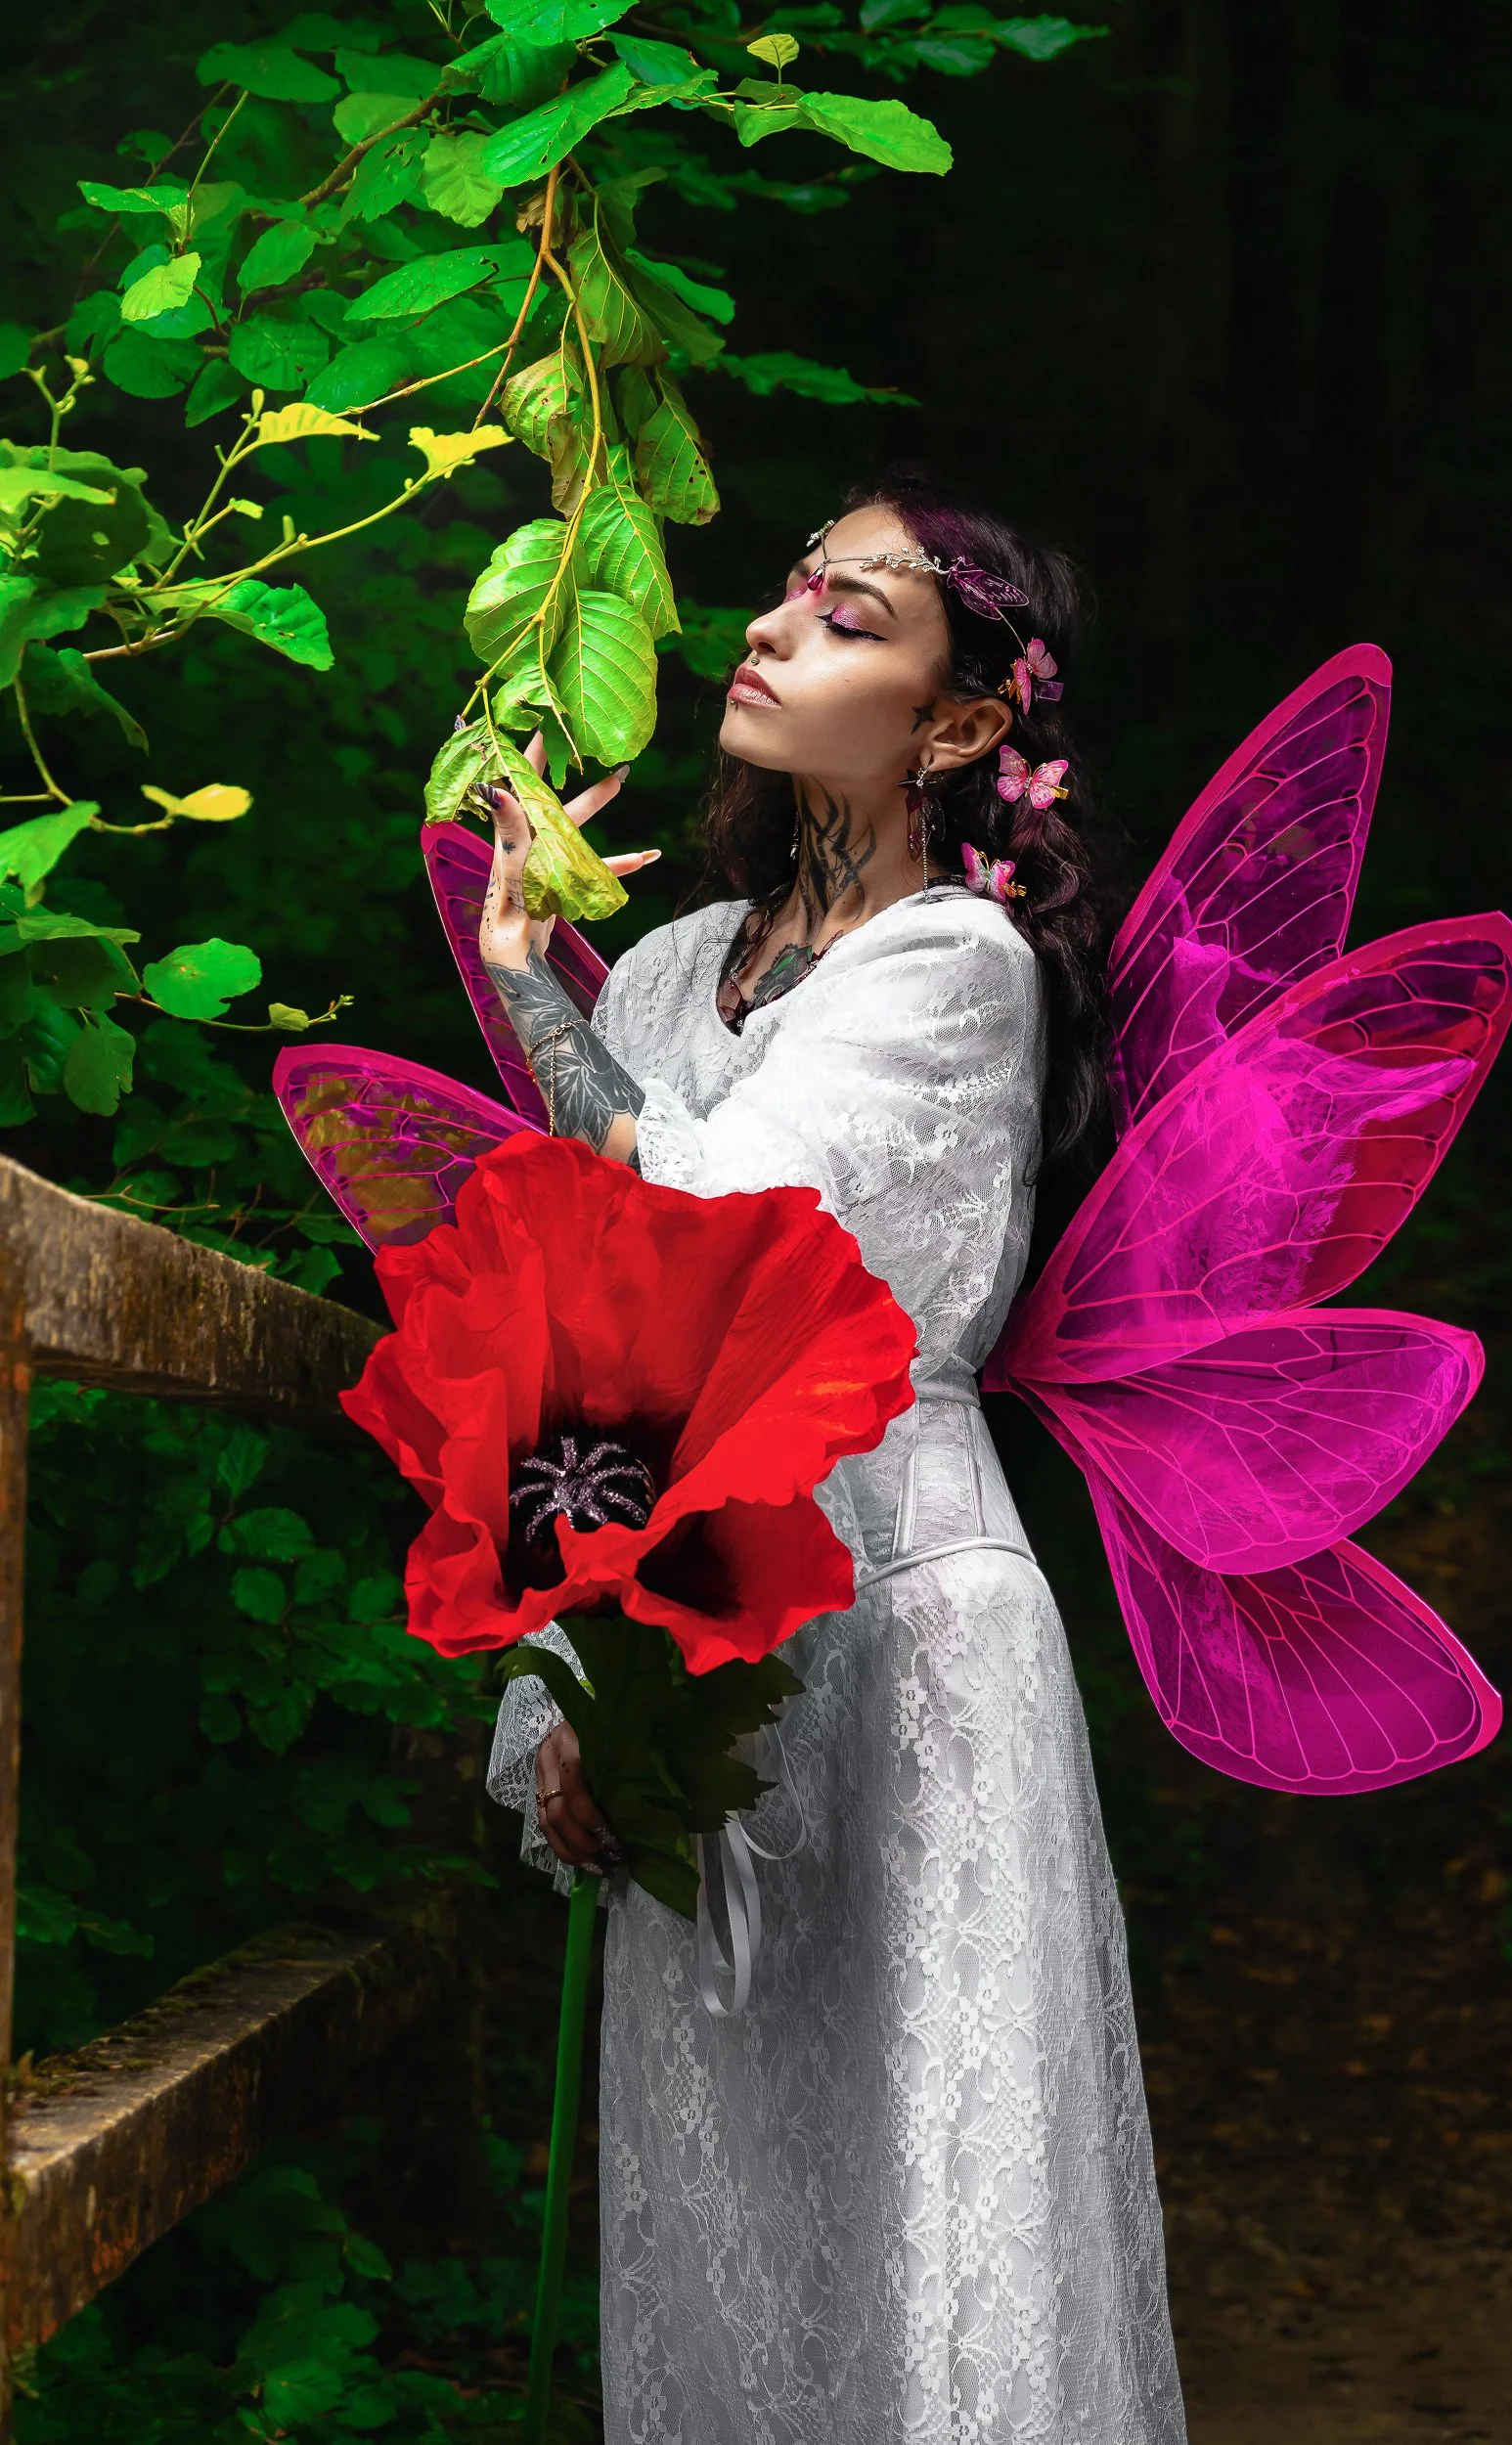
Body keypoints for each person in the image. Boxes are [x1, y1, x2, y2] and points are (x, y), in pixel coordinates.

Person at [485, 474, 1187, 2443]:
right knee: (723, 2222)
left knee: (930, 2213)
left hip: (904, 1637)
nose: (773, 624)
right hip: (676, 1630)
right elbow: (584, 1346)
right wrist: (561, 1684)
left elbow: (731, 1241)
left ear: (958, 724)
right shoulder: (661, 973)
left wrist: (532, 999)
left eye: (849, 613)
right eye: (787, 587)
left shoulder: (956, 964)